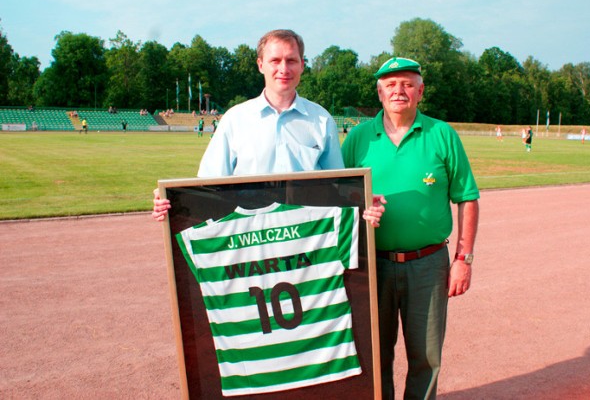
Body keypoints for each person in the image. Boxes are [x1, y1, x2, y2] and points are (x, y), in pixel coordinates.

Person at [341, 57, 480, 399]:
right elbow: (337, 198)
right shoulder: (359, 138)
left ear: (420, 91)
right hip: (372, 264)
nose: (398, 91)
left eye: (406, 84)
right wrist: (360, 210)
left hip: (428, 263)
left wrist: (464, 257)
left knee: (427, 356)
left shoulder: (441, 134)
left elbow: (468, 198)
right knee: (376, 354)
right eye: (390, 85)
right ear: (379, 93)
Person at [152, 29, 344, 221]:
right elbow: (208, 186)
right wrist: (172, 201)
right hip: (251, 241)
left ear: (302, 65)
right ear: (261, 65)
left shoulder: (322, 120)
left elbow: (338, 188)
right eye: (275, 60)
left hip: (307, 240)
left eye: (291, 60)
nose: (284, 69)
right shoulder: (235, 119)